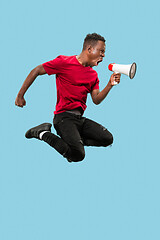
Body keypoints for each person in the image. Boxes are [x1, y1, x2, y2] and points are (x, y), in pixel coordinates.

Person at [15, 33, 121, 163]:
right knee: (78, 156)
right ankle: (42, 133)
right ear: (89, 49)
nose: (103, 55)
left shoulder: (93, 75)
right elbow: (36, 70)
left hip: (79, 120)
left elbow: (96, 99)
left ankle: (72, 144)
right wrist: (20, 95)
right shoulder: (64, 62)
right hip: (63, 118)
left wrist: (110, 85)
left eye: (104, 52)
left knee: (107, 139)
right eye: (101, 51)